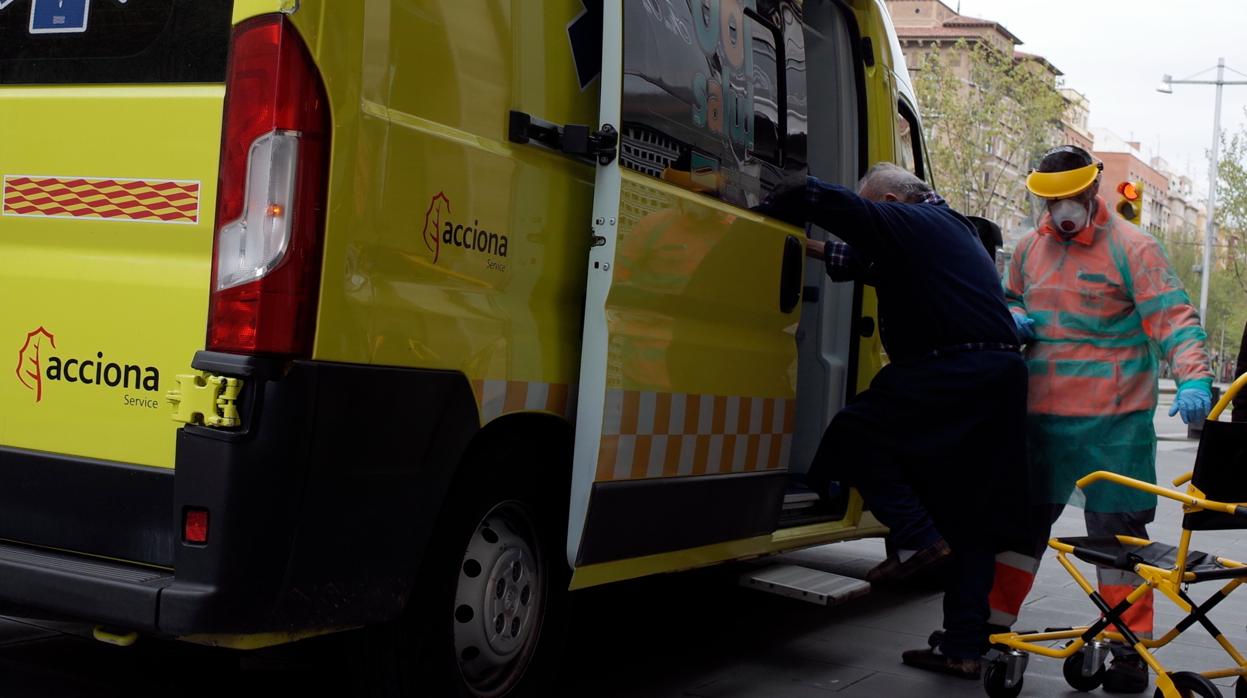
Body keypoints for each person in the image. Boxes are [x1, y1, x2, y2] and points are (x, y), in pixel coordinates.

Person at [760, 163, 1032, 678]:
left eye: (877, 208)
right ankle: (962, 647)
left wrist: (791, 194)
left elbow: (849, 212)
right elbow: (859, 261)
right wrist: (802, 247)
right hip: (993, 376)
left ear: (890, 201)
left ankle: (917, 538)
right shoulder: (944, 233)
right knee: (969, 519)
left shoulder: (917, 222)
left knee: (855, 433)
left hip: (953, 367)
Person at [990, 145, 1213, 694]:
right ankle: (991, 632)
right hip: (1042, 420)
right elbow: (1012, 297)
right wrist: (1013, 315)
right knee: (1017, 534)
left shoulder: (1134, 247)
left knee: (1118, 544)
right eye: (1051, 200)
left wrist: (1193, 378)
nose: (1061, 209)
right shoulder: (1028, 249)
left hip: (1113, 425)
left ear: (1093, 192)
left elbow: (1173, 317)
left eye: (1070, 197)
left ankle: (1127, 651)